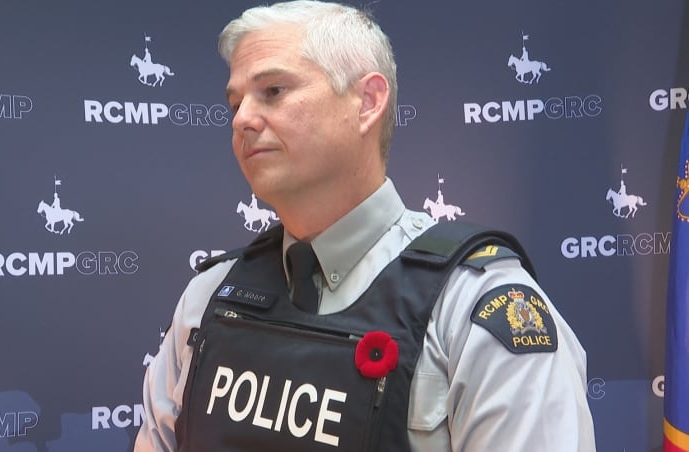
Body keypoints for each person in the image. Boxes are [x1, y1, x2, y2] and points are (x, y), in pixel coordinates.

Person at [135, 1, 596, 451]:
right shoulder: (208, 299)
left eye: (273, 91)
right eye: (235, 103)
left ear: (367, 102)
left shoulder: (472, 311)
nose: (242, 120)